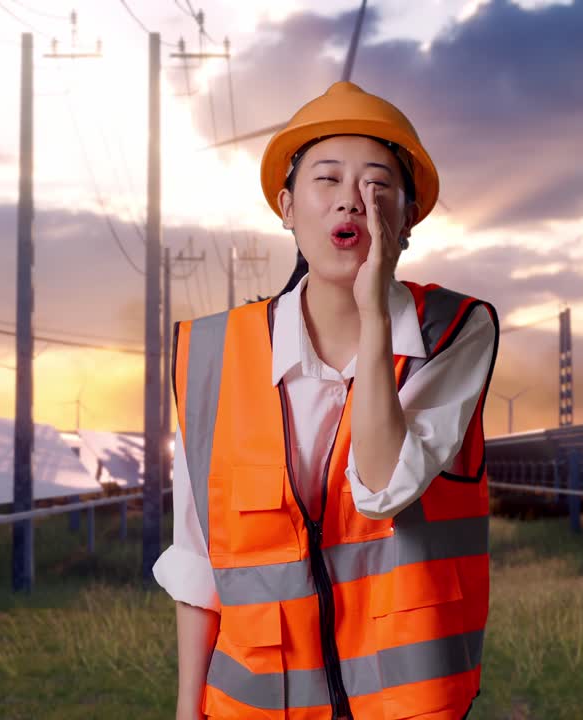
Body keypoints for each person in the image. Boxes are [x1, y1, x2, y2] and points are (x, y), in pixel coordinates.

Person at [154, 81, 499, 720]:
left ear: (408, 218)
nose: (353, 202)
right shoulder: (210, 356)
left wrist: (374, 314)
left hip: (405, 705)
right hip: (255, 705)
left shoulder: (454, 332)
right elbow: (198, 562)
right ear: (286, 208)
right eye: (328, 180)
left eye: (377, 185)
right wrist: (186, 710)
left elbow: (383, 484)